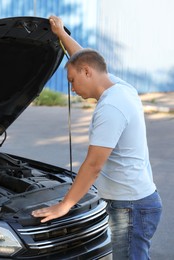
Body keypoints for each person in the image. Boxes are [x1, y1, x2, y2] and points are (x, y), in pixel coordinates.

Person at [32, 15, 162, 260]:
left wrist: (65, 205)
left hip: (130, 207)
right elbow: (84, 56)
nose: (72, 88)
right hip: (131, 202)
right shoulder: (121, 88)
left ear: (86, 72)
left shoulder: (111, 108)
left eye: (72, 81)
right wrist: (61, 34)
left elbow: (93, 165)